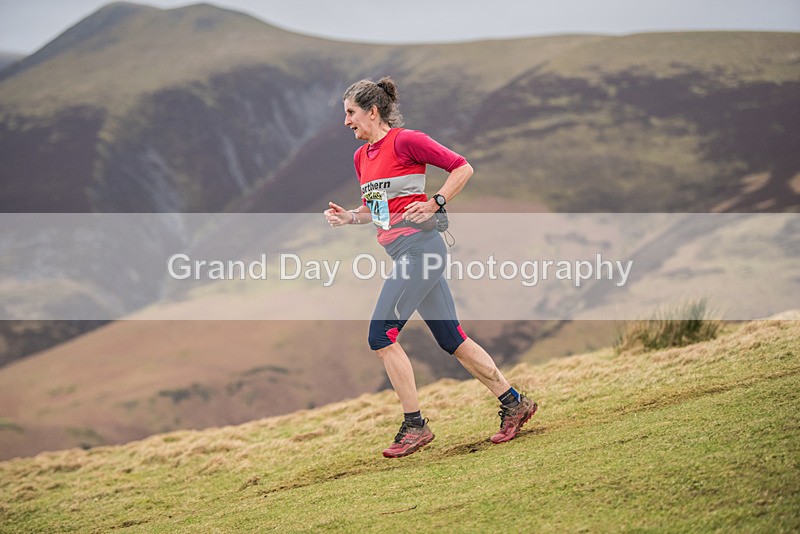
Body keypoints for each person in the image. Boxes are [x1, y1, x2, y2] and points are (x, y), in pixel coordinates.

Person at [324, 77, 537, 458]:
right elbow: (379, 214)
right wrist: (348, 219)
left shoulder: (407, 141)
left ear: (372, 112)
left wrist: (437, 201)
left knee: (381, 336)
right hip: (406, 251)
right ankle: (515, 402)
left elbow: (462, 167)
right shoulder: (361, 158)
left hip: (421, 251)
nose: (346, 122)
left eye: (351, 113)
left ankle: (415, 425)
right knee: (452, 339)